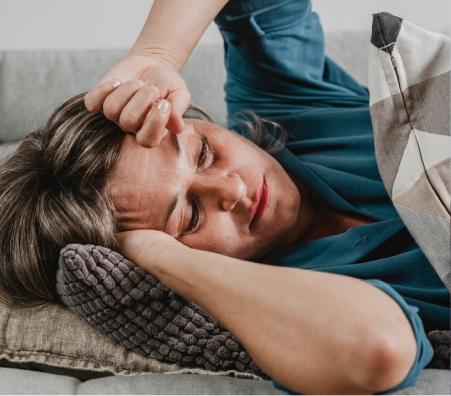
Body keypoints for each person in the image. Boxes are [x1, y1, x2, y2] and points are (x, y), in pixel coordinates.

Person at [0, 0, 448, 394]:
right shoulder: (279, 304)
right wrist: (163, 260)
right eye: (190, 217)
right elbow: (378, 348)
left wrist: (157, 53)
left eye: (203, 151)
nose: (233, 189)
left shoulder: (284, 109)